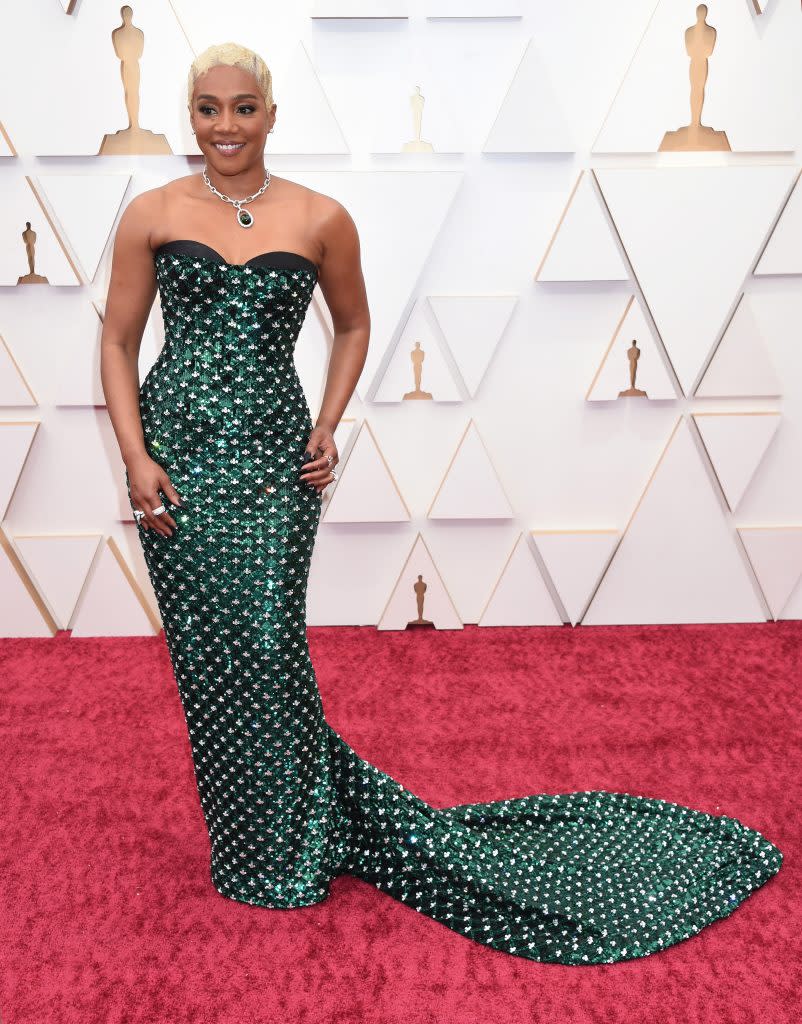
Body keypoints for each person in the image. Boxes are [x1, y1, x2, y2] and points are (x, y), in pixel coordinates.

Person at [99, 42, 782, 965]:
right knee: (208, 661)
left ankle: (295, 836)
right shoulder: (150, 213)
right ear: (191, 114)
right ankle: (255, 847)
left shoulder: (321, 217)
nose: (226, 126)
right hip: (175, 464)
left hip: (272, 468)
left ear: (272, 113)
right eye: (209, 108)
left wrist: (329, 422)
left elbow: (353, 324)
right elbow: (118, 342)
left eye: (244, 107)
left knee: (265, 646)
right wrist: (135, 456)